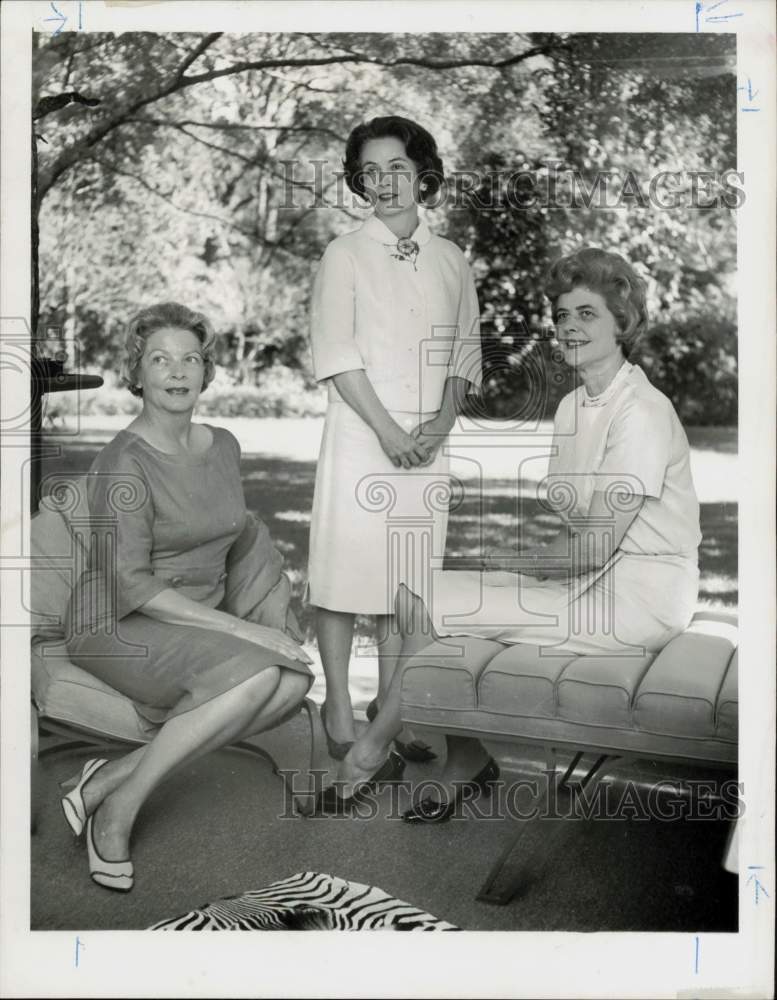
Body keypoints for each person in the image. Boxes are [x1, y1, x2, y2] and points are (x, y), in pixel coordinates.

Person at [314, 247, 702, 819]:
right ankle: (462, 757)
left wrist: (499, 560)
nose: (569, 325)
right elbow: (580, 529)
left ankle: (369, 755)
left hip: (636, 601)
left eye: (587, 314)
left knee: (428, 599)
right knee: (413, 595)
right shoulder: (575, 405)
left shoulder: (641, 412)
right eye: (562, 314)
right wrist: (508, 567)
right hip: (590, 582)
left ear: (624, 322)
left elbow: (592, 545)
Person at [61, 302, 313, 891]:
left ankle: (106, 779)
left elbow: (240, 535)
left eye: (190, 358)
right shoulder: (122, 462)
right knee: (256, 676)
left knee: (294, 682)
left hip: (193, 619)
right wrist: (249, 632)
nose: (177, 371)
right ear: (137, 373)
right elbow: (133, 585)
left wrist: (272, 608)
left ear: (206, 372)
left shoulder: (223, 444)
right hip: (116, 621)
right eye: (159, 359)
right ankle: (118, 813)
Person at [307, 115, 482, 763]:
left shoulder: (450, 260)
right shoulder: (344, 254)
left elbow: (464, 353)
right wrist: (386, 431)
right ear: (359, 181)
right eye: (371, 171)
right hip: (361, 432)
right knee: (343, 571)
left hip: (428, 442)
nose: (384, 183)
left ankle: (390, 700)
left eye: (397, 169)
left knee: (402, 582)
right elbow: (335, 351)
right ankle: (337, 703)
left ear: (421, 174)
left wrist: (436, 428)